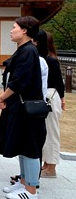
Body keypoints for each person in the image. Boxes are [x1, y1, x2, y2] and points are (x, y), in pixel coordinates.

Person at [0, 16, 46, 199]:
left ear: (25, 30)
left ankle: (31, 190)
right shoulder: (24, 50)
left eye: (14, 27)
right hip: (20, 106)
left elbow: (19, 81)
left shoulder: (29, 51)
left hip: (27, 108)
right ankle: (24, 182)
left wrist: (2, 96)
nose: (11, 30)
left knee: (29, 146)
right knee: (23, 146)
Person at [34, 30, 65, 178]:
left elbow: (59, 82)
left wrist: (63, 99)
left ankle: (51, 167)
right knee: (44, 133)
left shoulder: (50, 60)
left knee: (51, 132)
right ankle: (46, 163)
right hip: (47, 96)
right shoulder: (43, 58)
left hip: (51, 96)